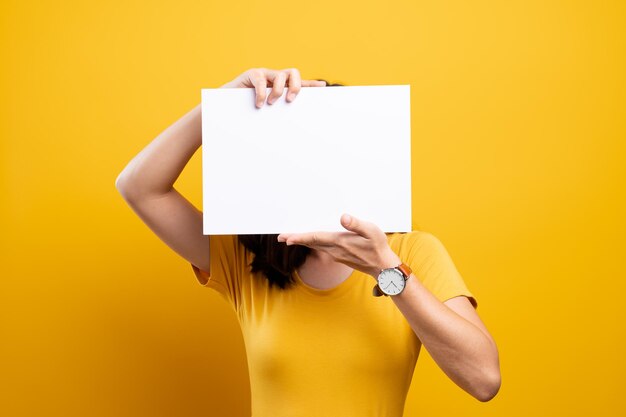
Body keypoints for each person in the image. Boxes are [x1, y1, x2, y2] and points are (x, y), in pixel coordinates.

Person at [115, 67, 501, 416]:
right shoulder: (243, 259)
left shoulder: (411, 251)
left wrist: (387, 271)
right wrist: (220, 107)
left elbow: (483, 380)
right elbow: (139, 187)